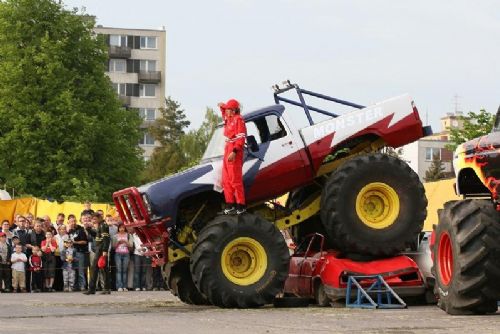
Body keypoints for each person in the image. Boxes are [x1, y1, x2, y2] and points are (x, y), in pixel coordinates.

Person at [218, 99, 247, 215]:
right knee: (226, 180)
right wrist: (222, 107)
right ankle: (230, 204)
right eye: (226, 110)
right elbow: (224, 114)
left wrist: (234, 151)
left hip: (235, 149)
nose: (226, 112)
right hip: (227, 148)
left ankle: (241, 205)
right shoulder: (228, 119)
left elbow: (241, 138)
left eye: (228, 109)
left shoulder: (239, 120)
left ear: (234, 110)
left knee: (235, 179)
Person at [84, 213, 111, 295]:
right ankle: (106, 288)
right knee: (103, 269)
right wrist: (88, 229)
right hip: (99, 249)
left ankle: (92, 289)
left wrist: (105, 250)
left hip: (101, 249)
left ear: (100, 218)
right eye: (93, 219)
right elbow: (96, 235)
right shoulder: (100, 225)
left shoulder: (103, 225)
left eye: (95, 219)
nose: (93, 221)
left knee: (95, 268)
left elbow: (106, 238)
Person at [68, 214, 88, 291]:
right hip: (71, 253)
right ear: (68, 222)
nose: (72, 223)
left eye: (74, 221)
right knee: (73, 270)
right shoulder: (69, 231)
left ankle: (82, 285)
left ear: (76, 221)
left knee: (80, 270)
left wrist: (74, 242)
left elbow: (84, 242)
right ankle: (75, 286)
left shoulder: (81, 229)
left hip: (80, 252)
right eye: (71, 222)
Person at [112, 224, 133, 291]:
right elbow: (113, 247)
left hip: (126, 253)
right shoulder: (115, 236)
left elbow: (131, 245)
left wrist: (125, 242)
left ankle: (124, 286)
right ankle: (119, 286)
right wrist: (118, 243)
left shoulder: (129, 235)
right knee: (119, 270)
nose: (122, 229)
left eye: (123, 228)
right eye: (120, 228)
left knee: (124, 270)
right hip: (118, 253)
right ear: (118, 228)